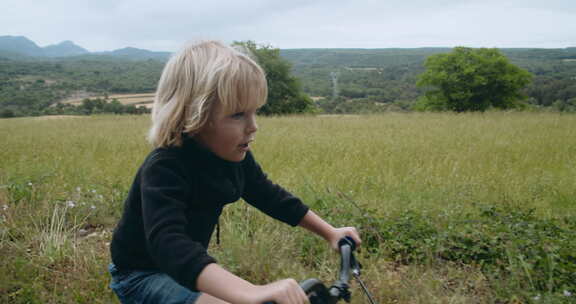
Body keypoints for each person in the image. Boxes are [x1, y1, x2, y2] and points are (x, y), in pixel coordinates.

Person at [108, 40, 361, 304]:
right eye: (238, 115)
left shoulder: (233, 156)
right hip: (143, 273)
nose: (253, 127)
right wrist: (251, 291)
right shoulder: (165, 167)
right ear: (194, 116)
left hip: (187, 266)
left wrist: (330, 232)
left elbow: (269, 195)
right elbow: (168, 243)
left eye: (254, 112)